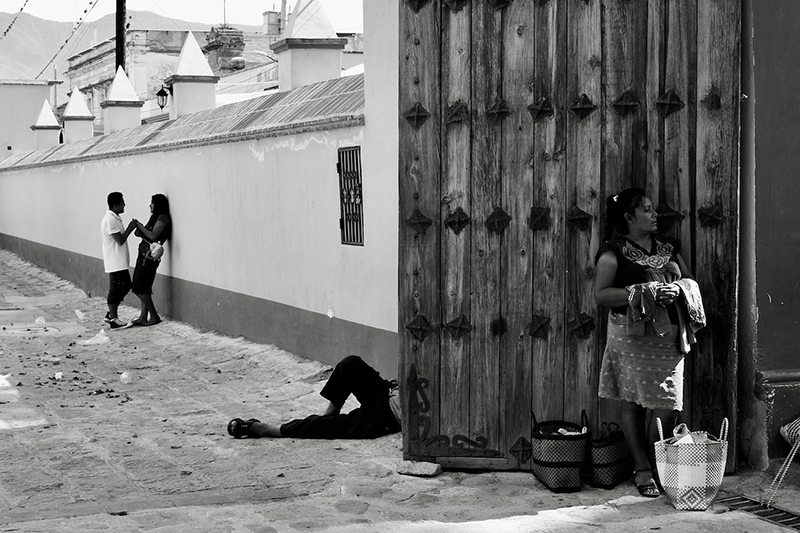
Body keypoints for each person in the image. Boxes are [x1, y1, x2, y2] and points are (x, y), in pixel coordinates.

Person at [593, 188, 705, 498]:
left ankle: (660, 464)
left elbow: (689, 279)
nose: (654, 214)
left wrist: (679, 289)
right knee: (632, 401)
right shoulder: (613, 252)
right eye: (646, 209)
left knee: (667, 404)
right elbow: (602, 294)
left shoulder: (668, 248)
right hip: (631, 336)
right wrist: (644, 292)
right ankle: (642, 468)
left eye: (653, 208)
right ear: (629, 218)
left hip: (668, 338)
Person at [227, 355, 401, 439]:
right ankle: (330, 414)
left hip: (386, 416)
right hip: (387, 391)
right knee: (350, 364)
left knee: (324, 426)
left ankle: (265, 429)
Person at [130, 193, 172, 326]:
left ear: (158, 204)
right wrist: (140, 231)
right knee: (144, 288)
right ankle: (143, 316)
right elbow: (146, 234)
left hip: (149, 257)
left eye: (152, 203)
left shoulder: (163, 218)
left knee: (138, 287)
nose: (150, 205)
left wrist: (139, 225)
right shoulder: (154, 218)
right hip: (143, 254)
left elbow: (153, 236)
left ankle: (154, 315)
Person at [100, 192, 136, 330]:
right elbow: (119, 240)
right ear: (115, 205)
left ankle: (111, 314)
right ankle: (113, 319)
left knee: (125, 286)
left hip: (119, 261)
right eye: (122, 203)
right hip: (115, 262)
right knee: (117, 289)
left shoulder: (115, 218)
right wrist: (130, 228)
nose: (124, 205)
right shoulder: (110, 220)